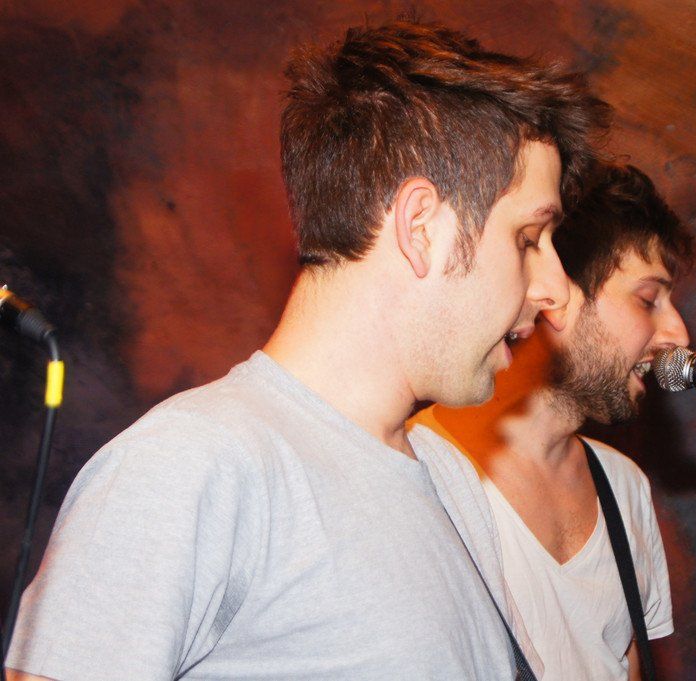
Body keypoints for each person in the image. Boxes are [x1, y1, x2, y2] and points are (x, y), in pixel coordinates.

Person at [4, 21, 610, 680]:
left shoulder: (448, 475)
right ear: (421, 227)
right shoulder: (189, 464)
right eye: (528, 238)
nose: (556, 289)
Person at [413, 163, 695, 680]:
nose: (677, 333)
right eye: (648, 300)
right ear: (553, 290)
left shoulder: (624, 485)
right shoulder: (416, 468)